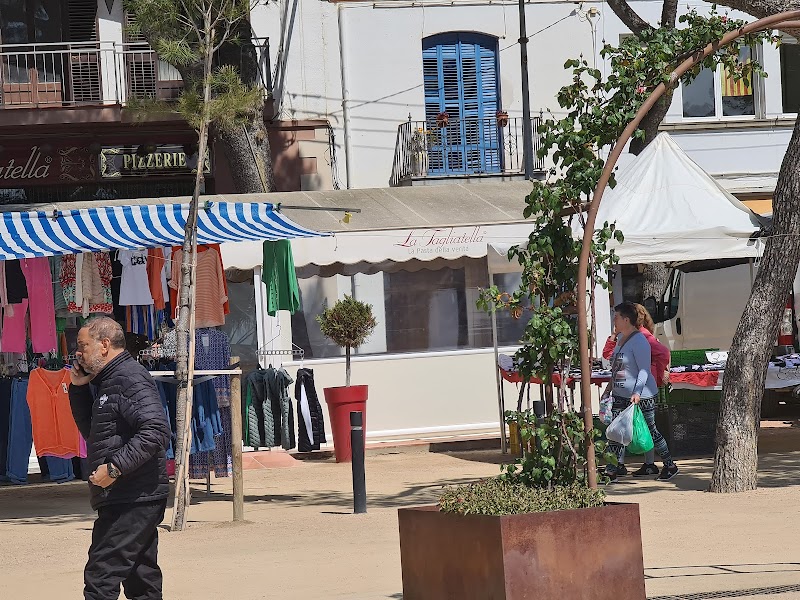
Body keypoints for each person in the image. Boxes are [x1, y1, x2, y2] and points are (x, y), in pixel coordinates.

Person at [69, 316, 171, 600]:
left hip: (134, 494)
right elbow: (94, 432)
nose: (78, 353)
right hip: (128, 494)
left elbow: (156, 431)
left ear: (104, 345)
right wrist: (78, 389)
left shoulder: (128, 376)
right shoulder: (108, 380)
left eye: (83, 346)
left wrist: (114, 469)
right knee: (141, 577)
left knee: (102, 573)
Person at [605, 302, 678, 482]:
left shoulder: (640, 341)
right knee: (616, 432)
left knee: (651, 430)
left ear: (626, 319)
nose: (614, 320)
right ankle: (611, 470)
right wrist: (609, 389)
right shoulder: (620, 339)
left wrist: (637, 393)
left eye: (617, 317)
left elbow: (644, 370)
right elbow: (616, 367)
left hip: (641, 395)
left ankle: (669, 465)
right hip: (620, 394)